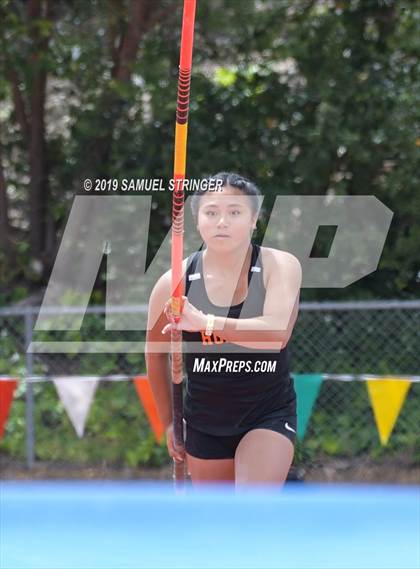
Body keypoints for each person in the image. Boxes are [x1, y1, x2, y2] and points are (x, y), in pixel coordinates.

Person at [145, 172, 301, 485]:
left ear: (254, 220)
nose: (222, 222)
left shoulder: (278, 266)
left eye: (234, 212)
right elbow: (154, 352)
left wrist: (205, 322)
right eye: (212, 212)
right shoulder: (174, 282)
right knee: (218, 526)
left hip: (266, 414)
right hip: (205, 421)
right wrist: (169, 422)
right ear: (197, 221)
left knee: (251, 511)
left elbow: (275, 335)